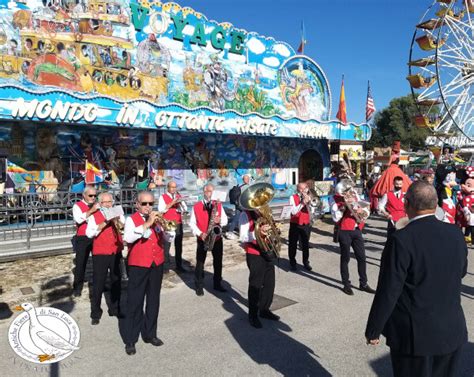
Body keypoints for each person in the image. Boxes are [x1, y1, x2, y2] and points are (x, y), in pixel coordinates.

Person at [365, 181, 468, 377]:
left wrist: (374, 329)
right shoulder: (455, 233)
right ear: (436, 203)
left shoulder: (400, 239)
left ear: (407, 204)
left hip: (414, 336)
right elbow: (461, 271)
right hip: (451, 330)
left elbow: (389, 290)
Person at [122, 191, 167, 355]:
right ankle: (130, 340)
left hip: (157, 264)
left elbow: (167, 238)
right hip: (138, 265)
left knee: (154, 300)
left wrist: (167, 230)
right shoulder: (130, 220)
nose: (148, 207)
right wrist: (148, 223)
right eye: (144, 204)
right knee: (135, 302)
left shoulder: (158, 219)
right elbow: (128, 237)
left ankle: (150, 334)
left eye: (151, 204)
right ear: (137, 204)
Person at [85, 192, 124, 325]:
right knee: (98, 283)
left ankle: (115, 308)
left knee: (116, 281)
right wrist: (104, 223)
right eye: (105, 202)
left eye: (110, 202)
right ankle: (95, 312)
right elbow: (89, 233)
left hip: (115, 252)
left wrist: (117, 220)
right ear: (100, 204)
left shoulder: (118, 213)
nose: (108, 204)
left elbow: (123, 228)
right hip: (100, 253)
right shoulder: (94, 216)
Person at [331, 182, 375, 295]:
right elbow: (336, 218)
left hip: (356, 230)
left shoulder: (355, 195)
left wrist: (362, 211)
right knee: (345, 259)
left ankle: (363, 283)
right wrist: (344, 206)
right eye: (345, 191)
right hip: (344, 231)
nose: (347, 193)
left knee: (362, 257)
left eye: (348, 190)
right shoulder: (334, 199)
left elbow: (366, 211)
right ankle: (346, 284)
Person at [239, 209, 279, 329]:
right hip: (254, 254)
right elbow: (243, 236)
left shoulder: (265, 214)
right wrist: (258, 233)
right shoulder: (244, 215)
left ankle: (264, 309)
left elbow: (271, 230)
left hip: (267, 251)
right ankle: (253, 315)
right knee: (255, 285)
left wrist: (274, 230)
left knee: (269, 283)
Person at [189, 184, 228, 296]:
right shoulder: (196, 206)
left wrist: (219, 220)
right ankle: (199, 286)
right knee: (200, 263)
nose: (211, 193)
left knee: (218, 262)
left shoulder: (218, 205)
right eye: (209, 191)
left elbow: (225, 220)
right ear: (204, 192)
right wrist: (200, 233)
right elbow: (192, 223)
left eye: (212, 191)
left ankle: (217, 283)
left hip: (216, 238)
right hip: (203, 237)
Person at [72, 186, 99, 297]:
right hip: (83, 238)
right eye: (90, 195)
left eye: (94, 196)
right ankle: (77, 287)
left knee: (98, 262)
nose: (93, 198)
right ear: (84, 195)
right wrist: (91, 211)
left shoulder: (97, 205)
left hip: (96, 235)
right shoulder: (77, 206)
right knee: (80, 263)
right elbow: (78, 219)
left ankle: (99, 285)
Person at [158, 181, 189, 273]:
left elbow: (185, 209)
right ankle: (165, 267)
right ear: (168, 187)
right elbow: (161, 210)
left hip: (178, 221)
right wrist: (172, 203)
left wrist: (181, 202)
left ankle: (179, 265)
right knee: (167, 245)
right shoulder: (162, 197)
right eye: (172, 187)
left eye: (175, 187)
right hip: (169, 222)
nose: (173, 189)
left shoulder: (177, 196)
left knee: (178, 245)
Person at [288, 182, 312, 271]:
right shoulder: (292, 197)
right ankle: (292, 262)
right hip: (295, 223)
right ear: (298, 189)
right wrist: (302, 203)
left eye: (305, 188)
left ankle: (306, 262)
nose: (303, 190)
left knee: (305, 245)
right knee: (292, 244)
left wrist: (309, 203)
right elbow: (293, 211)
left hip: (305, 223)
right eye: (301, 188)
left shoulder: (309, 196)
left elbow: (313, 209)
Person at [226, 174, 251, 240]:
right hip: (244, 206)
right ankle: (244, 232)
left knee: (236, 218)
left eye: (248, 178)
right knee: (247, 218)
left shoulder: (239, 186)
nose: (247, 179)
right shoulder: (246, 187)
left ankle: (230, 231)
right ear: (244, 179)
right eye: (246, 178)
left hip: (238, 205)